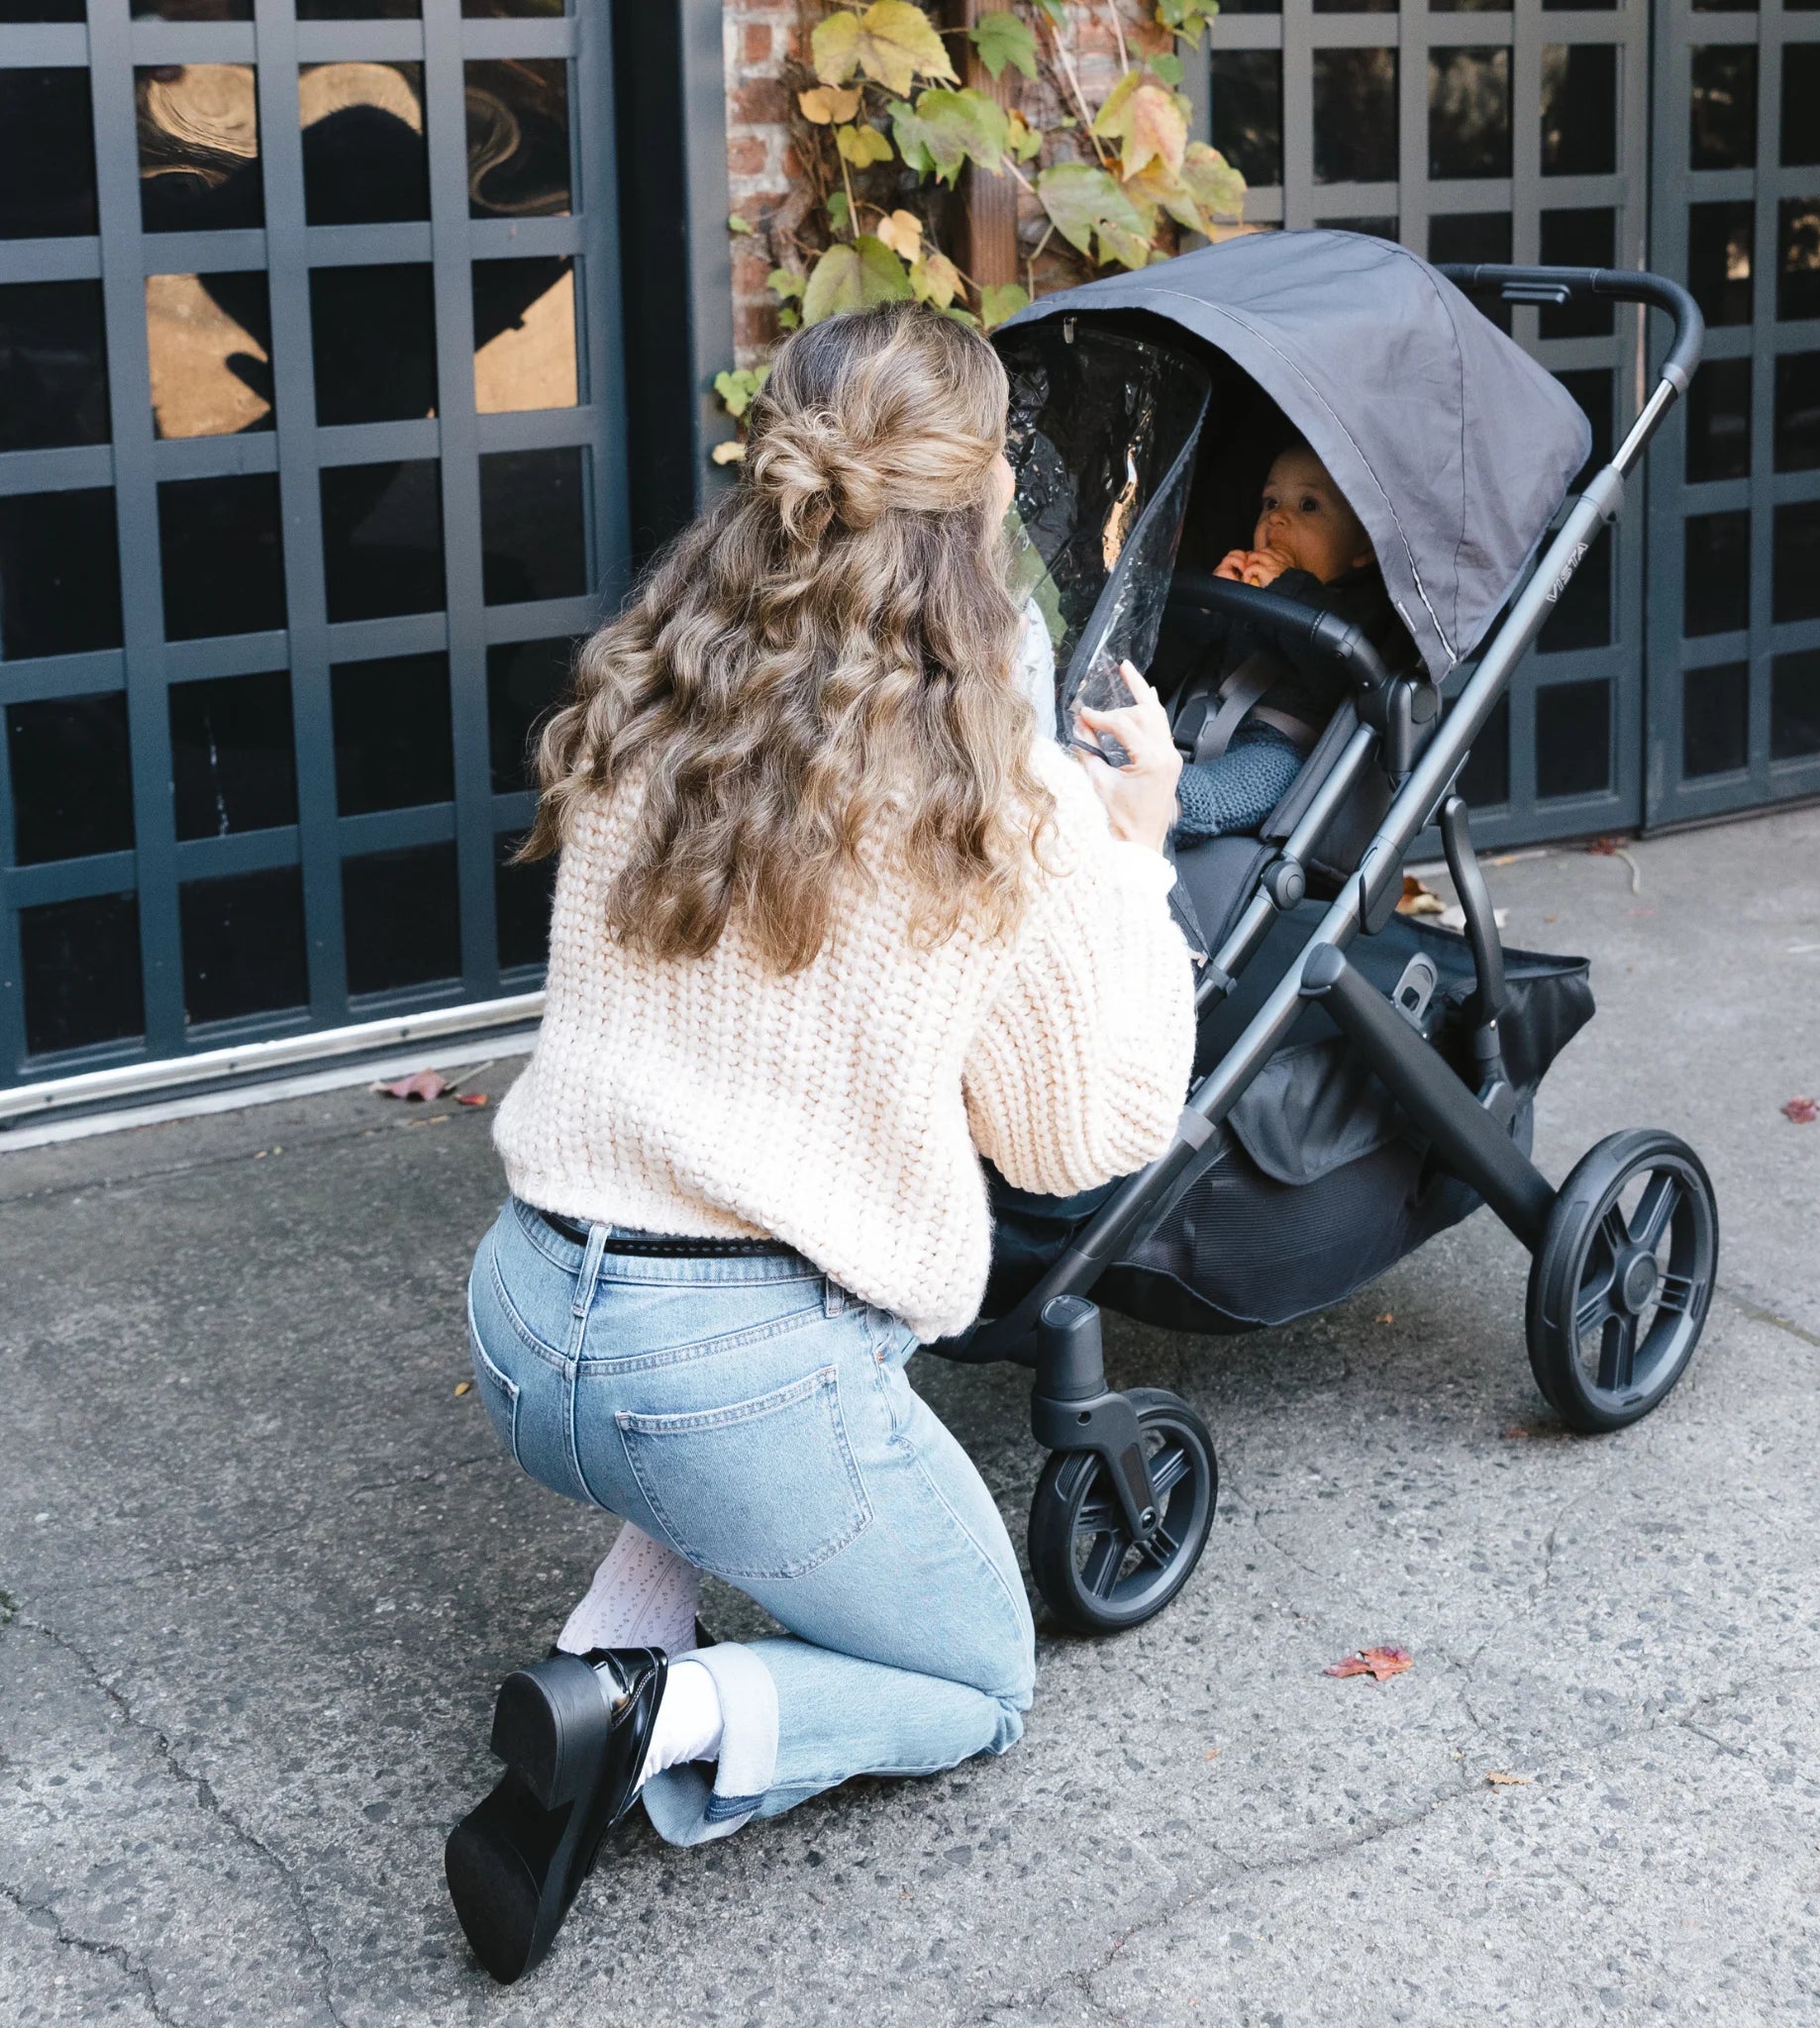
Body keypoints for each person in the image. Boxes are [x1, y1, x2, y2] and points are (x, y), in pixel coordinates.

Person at [445, 302, 1198, 1984]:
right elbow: (1086, 1132)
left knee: (761, 1317)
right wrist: (1133, 852)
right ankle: (661, 1708)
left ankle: (596, 1674)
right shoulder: (992, 778)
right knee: (978, 1681)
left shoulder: (658, 674)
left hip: (524, 1316)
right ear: (992, 490)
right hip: (716, 1373)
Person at [1170, 439, 1411, 842]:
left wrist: (1289, 589)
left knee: (1254, 780)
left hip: (1282, 747)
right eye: (1270, 503)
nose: (1277, 519)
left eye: (1308, 506)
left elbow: (1334, 678)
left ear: (1363, 547)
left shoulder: (1356, 612)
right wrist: (1211, 607)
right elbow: (1183, 654)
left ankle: (1172, 805)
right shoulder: (1252, 583)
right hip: (1198, 723)